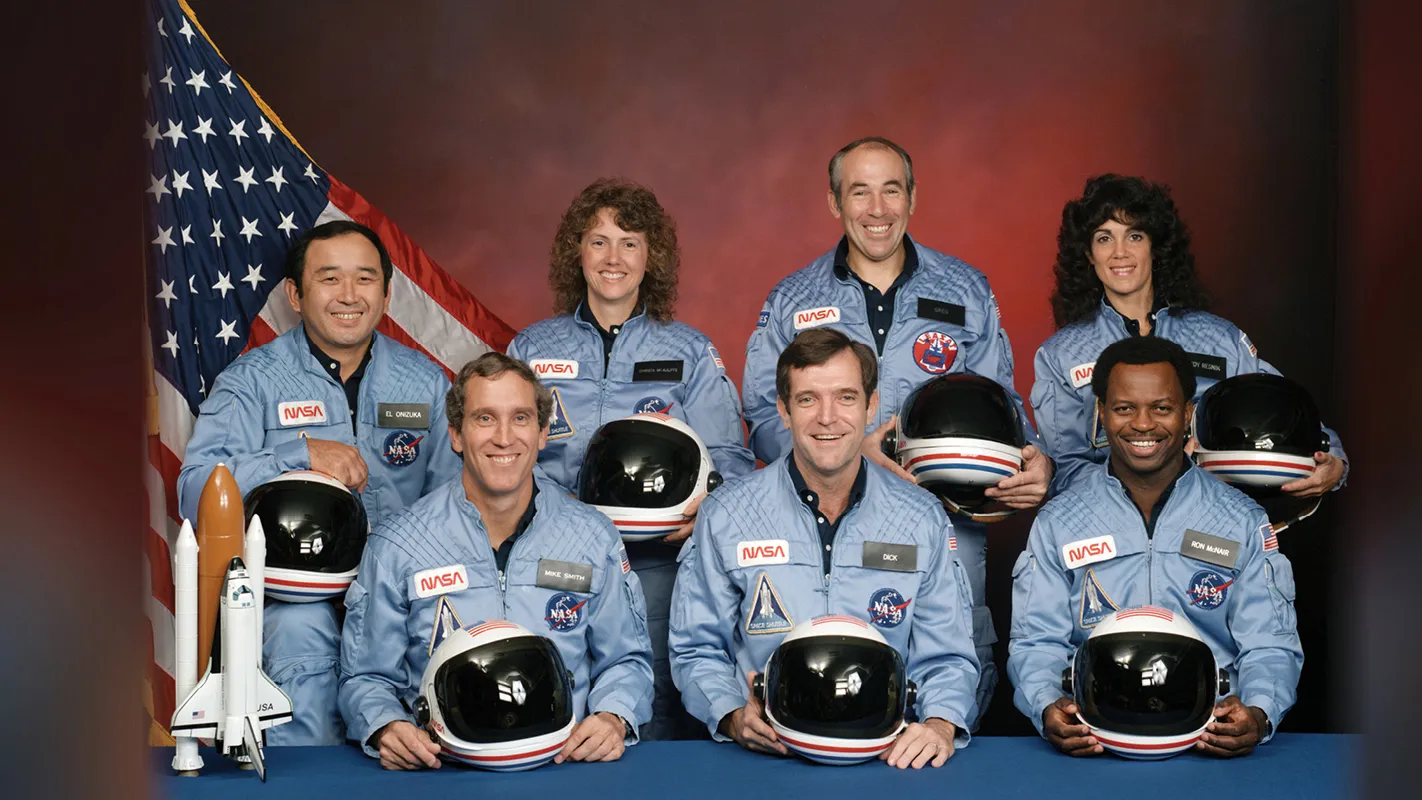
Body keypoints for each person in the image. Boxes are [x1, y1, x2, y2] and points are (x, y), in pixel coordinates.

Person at [741, 137, 1050, 725]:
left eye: (891, 190)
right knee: (834, 687)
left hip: (947, 524)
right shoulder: (792, 298)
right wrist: (843, 454)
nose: (877, 209)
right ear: (835, 202)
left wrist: (1034, 460)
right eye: (860, 192)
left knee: (946, 695)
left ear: (913, 197)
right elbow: (761, 414)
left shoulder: (966, 289)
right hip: (822, 522)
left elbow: (1003, 405)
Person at [177, 220, 461, 745]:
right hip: (295, 600)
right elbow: (196, 490)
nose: (349, 295)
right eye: (329, 278)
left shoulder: (423, 382)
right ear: (295, 295)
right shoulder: (252, 382)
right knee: (299, 637)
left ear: (386, 294)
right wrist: (299, 453)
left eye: (365, 278)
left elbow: (456, 503)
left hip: (400, 597)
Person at [507, 178, 753, 740]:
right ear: (577, 252)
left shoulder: (689, 351)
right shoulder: (532, 349)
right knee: (554, 699)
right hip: (554, 559)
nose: (612, 258)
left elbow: (730, 459)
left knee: (659, 705)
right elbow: (502, 449)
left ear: (651, 257)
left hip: (657, 566)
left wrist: (706, 509)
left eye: (629, 243)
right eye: (598, 242)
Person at [671, 329, 979, 769]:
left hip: (889, 760)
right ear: (783, 411)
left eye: (846, 398)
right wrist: (732, 713)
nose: (827, 418)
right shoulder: (728, 514)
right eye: (808, 399)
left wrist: (940, 723)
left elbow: (948, 657)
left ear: (871, 406)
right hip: (767, 759)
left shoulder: (920, 517)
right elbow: (695, 647)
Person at [338, 352, 654, 770]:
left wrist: (614, 716)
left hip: (564, 767)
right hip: (443, 772)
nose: (504, 438)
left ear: (543, 433)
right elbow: (365, 678)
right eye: (485, 418)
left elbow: (627, 660)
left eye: (520, 418)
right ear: (455, 434)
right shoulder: (399, 544)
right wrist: (385, 724)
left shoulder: (592, 537)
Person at [1008, 336, 1302, 758]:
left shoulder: (1240, 519)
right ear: (1101, 413)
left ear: (1188, 414)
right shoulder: (1060, 522)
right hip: (1096, 740)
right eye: (1124, 408)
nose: (1143, 424)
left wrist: (1258, 711)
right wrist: (1045, 704)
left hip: (1208, 740)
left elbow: (1269, 643)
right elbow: (1037, 642)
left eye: (1161, 408)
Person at [1031, 173, 1347, 496]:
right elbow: (1065, 471)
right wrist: (1149, 481)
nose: (1120, 252)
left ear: (1155, 246)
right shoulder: (1061, 355)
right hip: (1109, 521)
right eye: (1104, 238)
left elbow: (1282, 411)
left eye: (1134, 236)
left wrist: (1333, 460)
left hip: (1213, 514)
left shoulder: (1218, 339)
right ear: (1088, 254)